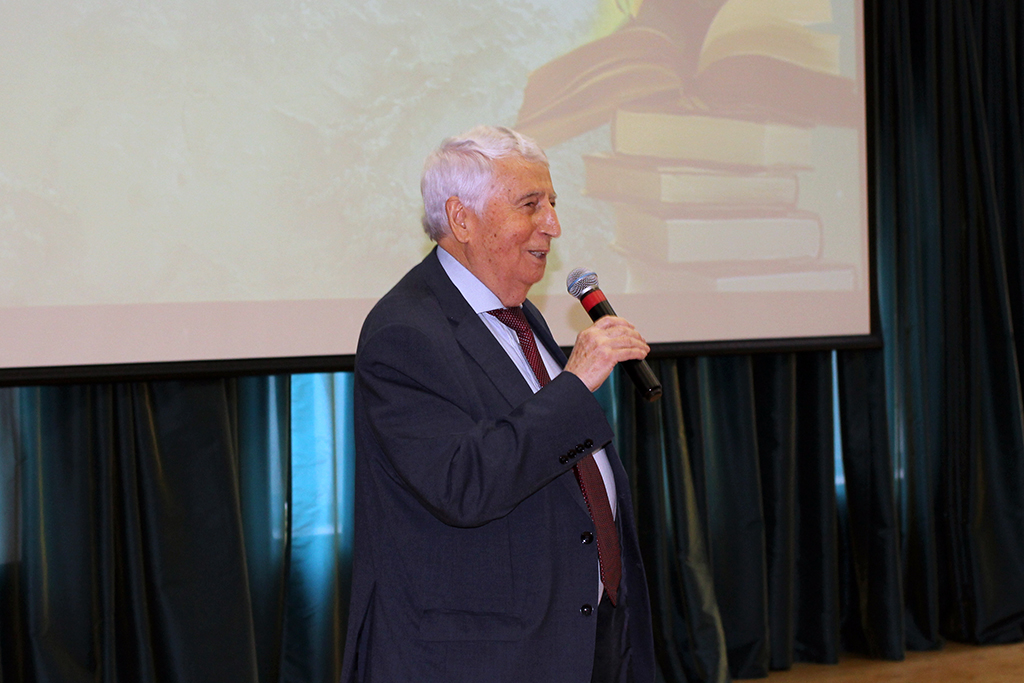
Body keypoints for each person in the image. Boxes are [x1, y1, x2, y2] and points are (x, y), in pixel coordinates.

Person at [341, 125, 655, 682]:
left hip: (581, 629)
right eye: (530, 205)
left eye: (552, 204)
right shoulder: (404, 332)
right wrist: (574, 384)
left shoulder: (520, 315)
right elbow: (462, 484)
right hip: (479, 657)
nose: (553, 225)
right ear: (461, 219)